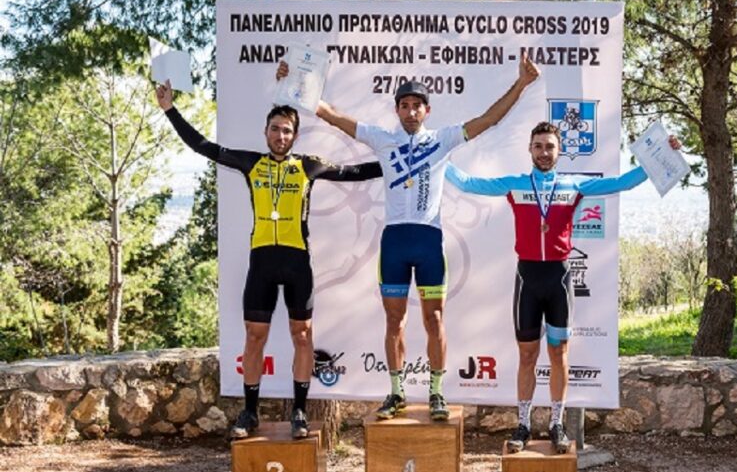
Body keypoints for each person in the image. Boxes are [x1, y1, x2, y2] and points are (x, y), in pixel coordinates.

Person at [276, 53, 540, 420]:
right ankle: (396, 391)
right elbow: (329, 114)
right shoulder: (382, 138)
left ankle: (436, 392)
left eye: (417, 106)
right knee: (394, 322)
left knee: (435, 320)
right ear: (397, 110)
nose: (411, 111)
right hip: (395, 243)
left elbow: (489, 119)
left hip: (429, 241)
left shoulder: (443, 139)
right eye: (405, 105)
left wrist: (522, 83)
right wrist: (293, 82)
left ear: (427, 111)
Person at [155, 80, 382, 440]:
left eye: (287, 130)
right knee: (254, 336)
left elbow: (356, 173)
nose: (280, 135)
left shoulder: (308, 166)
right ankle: (249, 412)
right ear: (266, 132)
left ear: (295, 136)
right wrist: (170, 110)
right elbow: (202, 146)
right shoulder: (251, 163)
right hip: (262, 262)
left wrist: (402, 160)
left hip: (297, 263)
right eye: (275, 129)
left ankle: (299, 412)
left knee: (302, 335)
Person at [445, 122, 681, 453]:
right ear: (530, 149)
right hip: (528, 279)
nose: (544, 152)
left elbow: (622, 183)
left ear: (559, 151)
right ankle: (523, 425)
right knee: (527, 356)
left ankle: (556, 423)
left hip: (559, 279)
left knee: (559, 354)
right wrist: (437, 158)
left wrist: (662, 155)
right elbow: (469, 183)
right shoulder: (516, 184)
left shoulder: (574, 185)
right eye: (538, 146)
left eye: (550, 146)